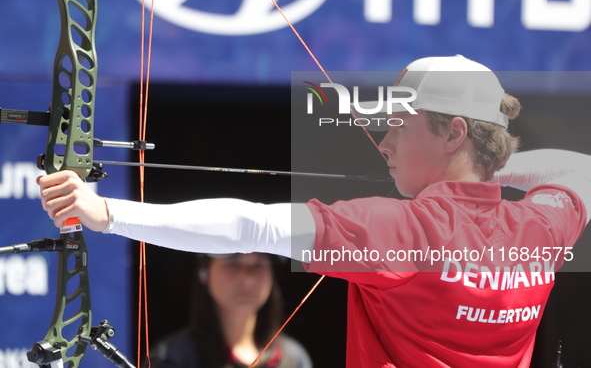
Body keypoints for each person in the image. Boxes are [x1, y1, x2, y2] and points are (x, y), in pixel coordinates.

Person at [37, 55, 591, 367]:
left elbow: (252, 224)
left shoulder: (403, 229)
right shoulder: (542, 227)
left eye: (399, 123)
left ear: (454, 132)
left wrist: (106, 212)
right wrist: (491, 172)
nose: (385, 142)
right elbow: (579, 172)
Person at [149, 252, 312, 368]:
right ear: (204, 272)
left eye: (259, 265)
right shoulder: (172, 357)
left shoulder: (294, 358)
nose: (247, 279)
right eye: (233, 264)